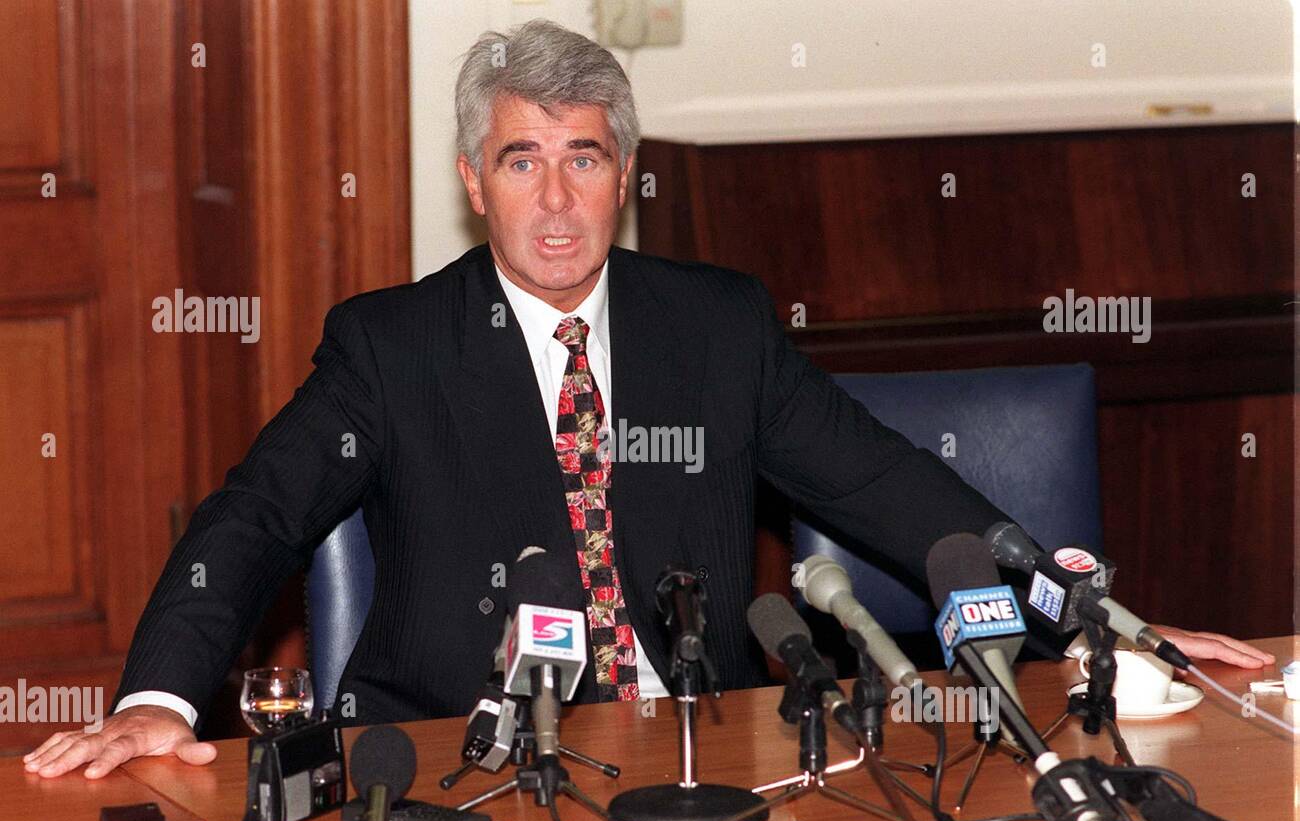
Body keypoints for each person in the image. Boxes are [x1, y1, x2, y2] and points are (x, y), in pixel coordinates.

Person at [25, 20, 1272, 781]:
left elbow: (890, 486)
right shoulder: (389, 345)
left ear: (627, 173)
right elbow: (252, 515)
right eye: (524, 161)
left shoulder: (716, 324)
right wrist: (155, 699)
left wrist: (1101, 622)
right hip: (458, 772)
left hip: (708, 761)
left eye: (585, 158)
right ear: (475, 179)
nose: (556, 201)